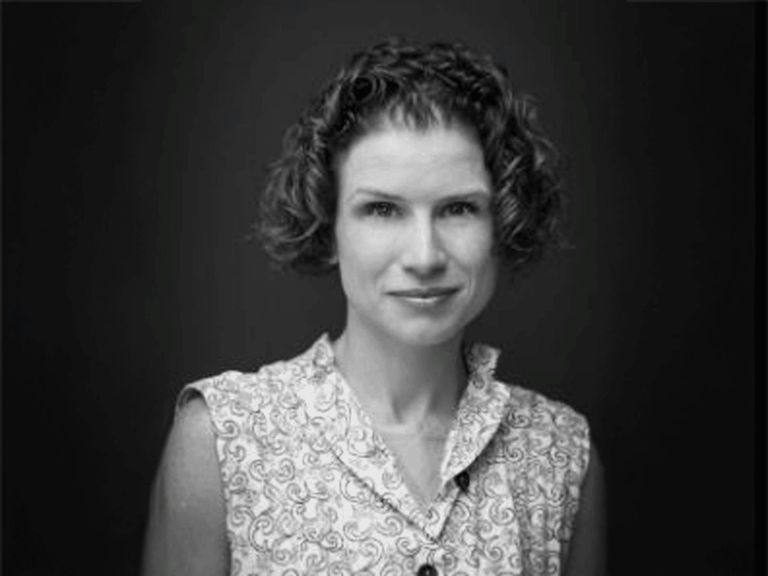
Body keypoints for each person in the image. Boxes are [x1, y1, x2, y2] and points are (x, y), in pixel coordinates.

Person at [141, 38, 606, 576]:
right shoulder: (221, 440)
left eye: (458, 208)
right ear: (328, 225)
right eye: (383, 209)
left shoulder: (563, 453)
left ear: (503, 221)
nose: (425, 255)